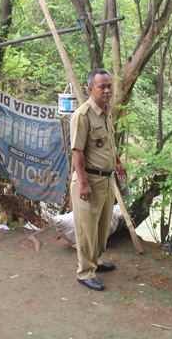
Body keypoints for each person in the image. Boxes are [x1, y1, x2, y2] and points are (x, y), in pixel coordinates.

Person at [70, 68, 127, 291]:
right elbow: (77, 152)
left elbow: (108, 143)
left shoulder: (106, 112)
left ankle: (97, 262)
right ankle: (85, 273)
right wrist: (83, 183)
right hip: (90, 181)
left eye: (109, 86)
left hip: (107, 180)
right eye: (102, 86)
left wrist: (118, 162)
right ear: (90, 89)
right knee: (87, 229)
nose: (107, 90)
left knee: (102, 227)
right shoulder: (83, 116)